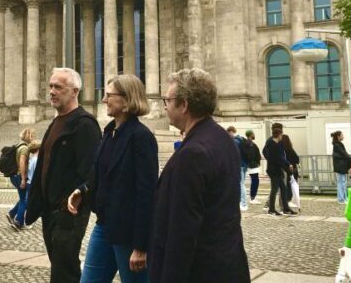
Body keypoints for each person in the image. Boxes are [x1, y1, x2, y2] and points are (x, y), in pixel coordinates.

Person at [149, 68, 250, 283]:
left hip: (201, 269)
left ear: (184, 105)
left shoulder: (193, 153)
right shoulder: (223, 138)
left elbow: (182, 230)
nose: (165, 106)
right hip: (227, 262)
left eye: (167, 100)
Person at [68, 74, 158, 283]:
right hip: (104, 226)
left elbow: (147, 193)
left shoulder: (141, 137)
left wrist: (141, 246)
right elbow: (99, 174)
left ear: (127, 100)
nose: (104, 100)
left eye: (109, 95)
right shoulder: (109, 133)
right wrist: (82, 190)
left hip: (128, 232)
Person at [25, 68, 102, 283]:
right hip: (50, 210)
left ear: (75, 91)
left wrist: (73, 198)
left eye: (58, 87)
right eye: (50, 86)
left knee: (64, 270)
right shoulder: (56, 122)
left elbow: (91, 170)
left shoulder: (85, 124)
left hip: (69, 210)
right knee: (60, 266)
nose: (51, 91)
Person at [263, 127, 295, 215]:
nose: (282, 136)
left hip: (278, 169)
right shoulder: (271, 143)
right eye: (281, 134)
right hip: (273, 170)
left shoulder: (279, 143)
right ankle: (271, 209)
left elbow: (282, 156)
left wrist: (288, 164)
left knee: (283, 188)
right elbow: (278, 157)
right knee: (274, 189)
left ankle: (286, 208)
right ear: (278, 134)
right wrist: (288, 165)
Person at [7, 127, 34, 230]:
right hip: (19, 176)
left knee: (23, 198)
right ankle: (18, 222)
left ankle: (12, 213)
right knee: (25, 200)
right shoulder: (25, 148)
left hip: (14, 175)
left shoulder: (18, 145)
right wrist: (23, 179)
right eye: (32, 135)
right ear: (29, 136)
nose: (33, 138)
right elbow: (22, 163)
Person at [227, 126, 249, 211]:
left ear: (231, 132)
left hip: (239, 165)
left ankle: (243, 203)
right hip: (244, 165)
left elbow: (232, 154)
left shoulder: (235, 141)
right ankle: (241, 202)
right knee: (241, 183)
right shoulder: (241, 139)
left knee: (241, 184)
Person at [331, 130, 351, 204]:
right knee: (341, 182)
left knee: (342, 182)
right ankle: (341, 199)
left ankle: (343, 198)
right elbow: (344, 154)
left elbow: (344, 154)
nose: (343, 136)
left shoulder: (338, 144)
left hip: (341, 167)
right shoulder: (337, 145)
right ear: (338, 136)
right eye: (342, 135)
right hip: (340, 167)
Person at [242, 130, 262, 204]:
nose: (254, 135)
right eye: (253, 134)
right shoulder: (249, 143)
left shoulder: (250, 143)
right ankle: (252, 198)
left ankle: (253, 197)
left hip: (253, 164)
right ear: (251, 134)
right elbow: (249, 154)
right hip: (252, 165)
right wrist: (253, 161)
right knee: (255, 181)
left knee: (255, 181)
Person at [281, 134, 300, 209]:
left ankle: (287, 200)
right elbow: (297, 159)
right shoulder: (290, 149)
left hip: (285, 169)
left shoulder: (281, 149)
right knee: (291, 185)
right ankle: (289, 200)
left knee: (287, 185)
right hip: (292, 169)